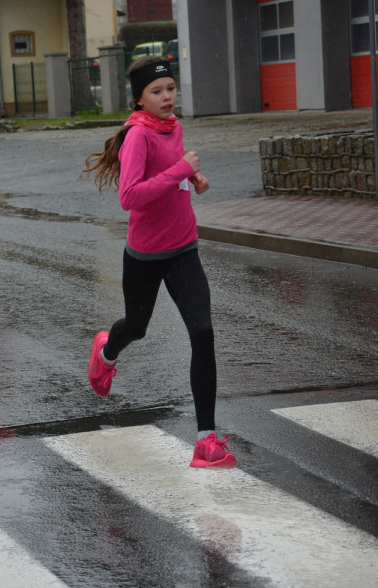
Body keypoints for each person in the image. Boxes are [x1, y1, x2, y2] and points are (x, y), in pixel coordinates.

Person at [81, 56, 236, 469]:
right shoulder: (138, 136)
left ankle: (206, 440)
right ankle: (106, 352)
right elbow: (129, 196)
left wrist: (191, 180)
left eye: (170, 88)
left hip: (183, 245)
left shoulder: (174, 127)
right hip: (146, 253)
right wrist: (181, 170)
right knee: (137, 327)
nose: (167, 96)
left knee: (202, 331)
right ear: (139, 100)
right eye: (157, 91)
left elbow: (170, 174)